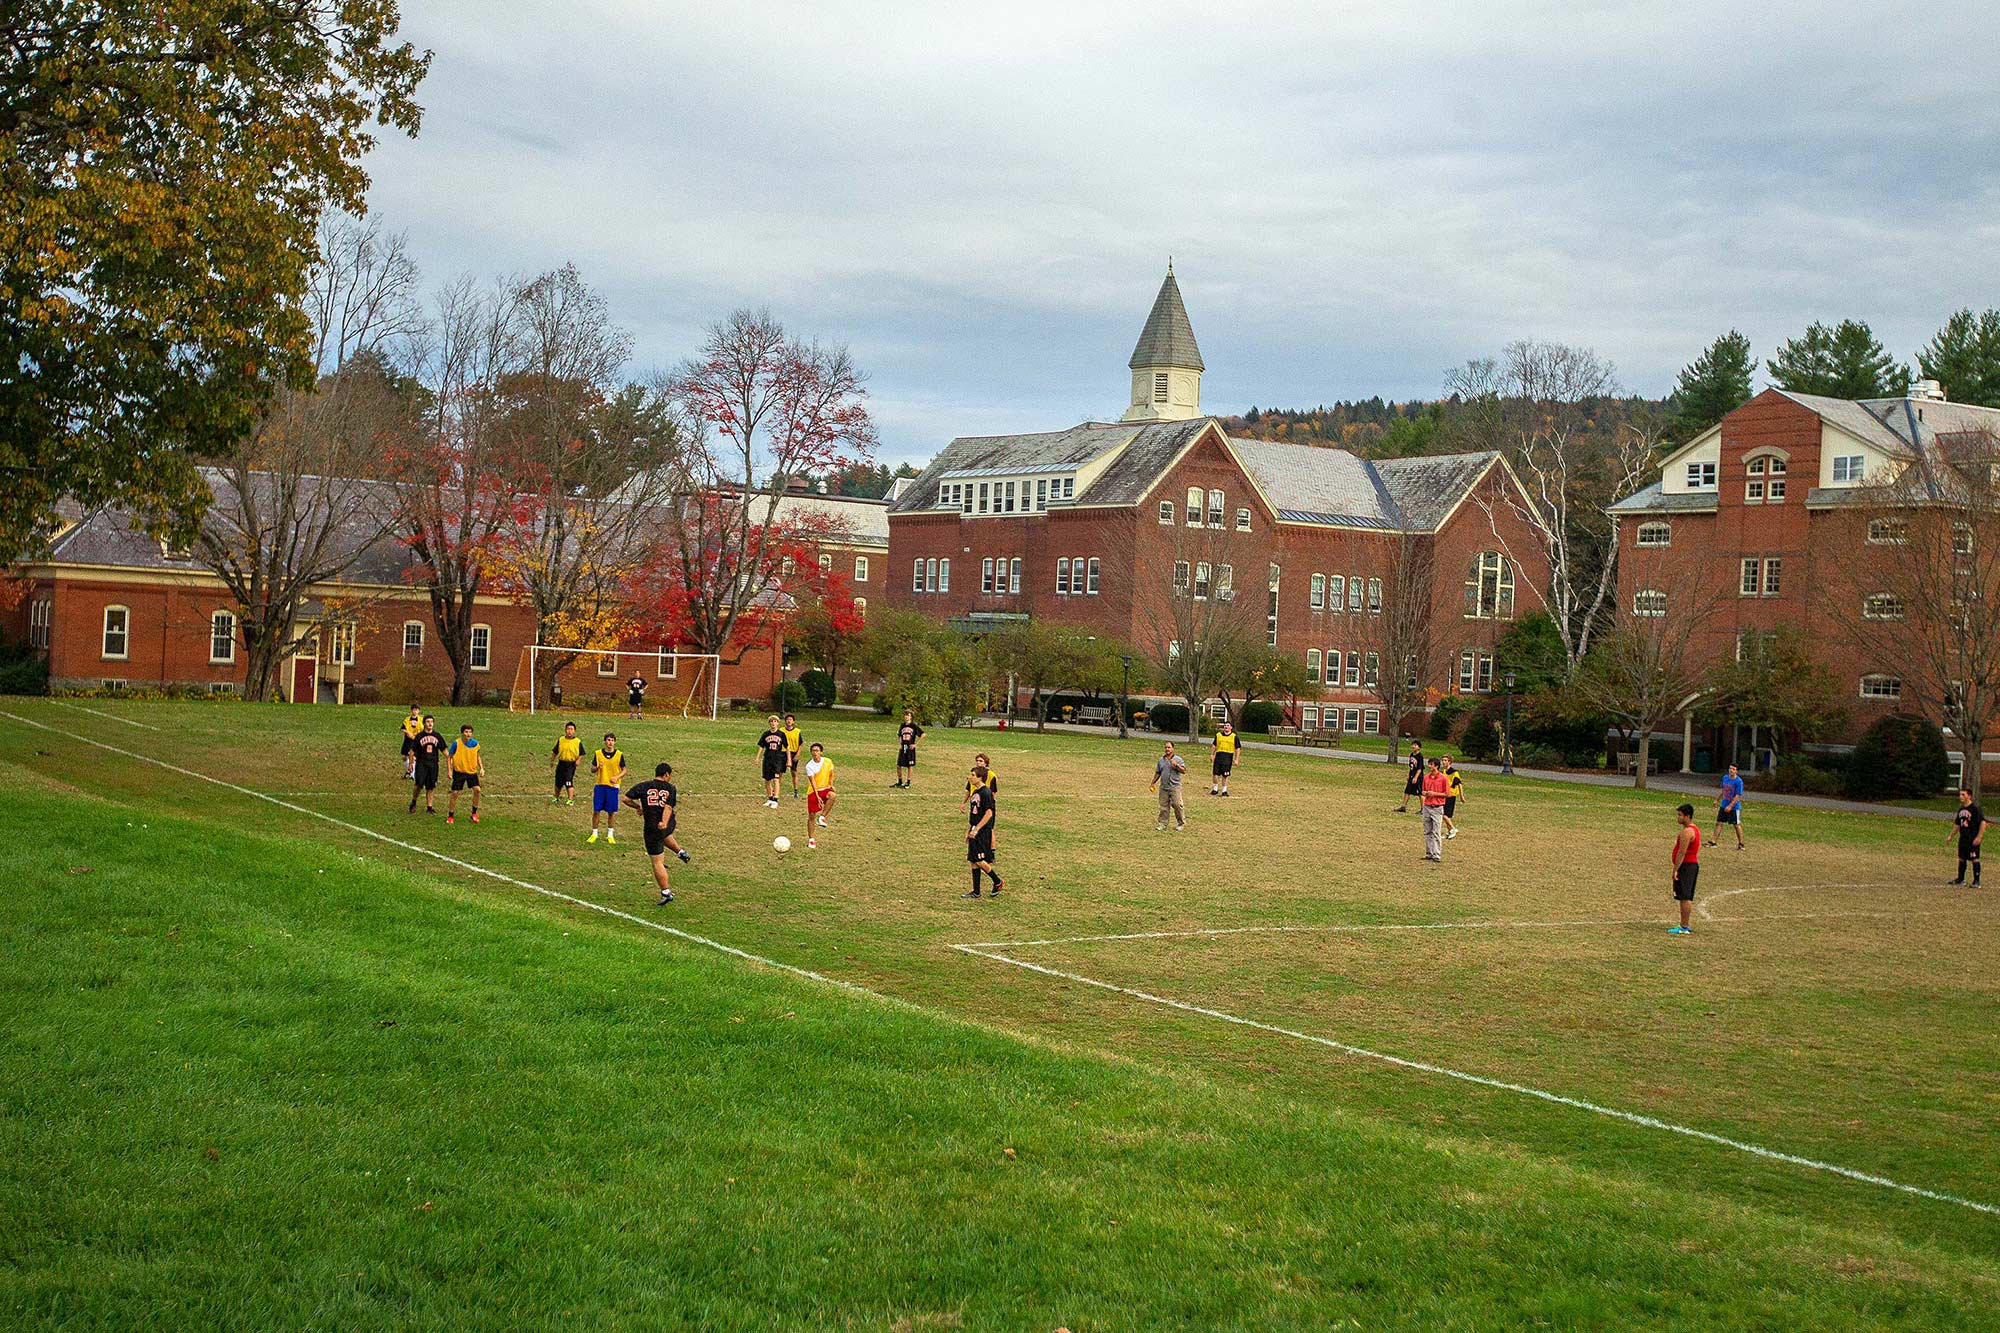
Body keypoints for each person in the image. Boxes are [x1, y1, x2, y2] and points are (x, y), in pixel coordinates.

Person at [624, 761, 690, 905]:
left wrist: (638, 806)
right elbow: (668, 808)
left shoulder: (644, 786)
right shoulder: (670, 788)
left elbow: (625, 798)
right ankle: (681, 852)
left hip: (652, 828)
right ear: (666, 775)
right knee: (665, 835)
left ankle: (666, 892)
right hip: (668, 825)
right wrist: (665, 823)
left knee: (657, 862)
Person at [964, 762, 1004, 898]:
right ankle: (976, 892)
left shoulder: (986, 793)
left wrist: (977, 829)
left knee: (980, 861)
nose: (971, 778)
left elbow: (988, 814)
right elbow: (974, 814)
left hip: (982, 832)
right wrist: (969, 830)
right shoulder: (975, 792)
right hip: (974, 830)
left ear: (980, 777)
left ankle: (997, 881)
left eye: (973, 775)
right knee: (973, 861)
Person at [587, 732, 625, 844]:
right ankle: (594, 833)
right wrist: (597, 767)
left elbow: (624, 770)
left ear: (615, 742)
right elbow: (592, 769)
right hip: (600, 785)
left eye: (612, 740)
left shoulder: (619, 755)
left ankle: (610, 835)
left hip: (613, 787)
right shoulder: (598, 754)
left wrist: (617, 777)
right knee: (596, 810)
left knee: (611, 812)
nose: (610, 742)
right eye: (608, 740)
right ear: (605, 741)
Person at [1669, 802, 1701, 934]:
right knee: (1685, 896)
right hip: (1690, 865)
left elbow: (1682, 852)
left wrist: (1675, 869)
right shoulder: (1694, 829)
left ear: (1687, 816)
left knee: (1684, 897)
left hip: (1687, 866)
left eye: (1680, 815)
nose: (1678, 817)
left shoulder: (1687, 832)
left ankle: (1684, 926)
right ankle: (1684, 924)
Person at [446, 723, 484, 825]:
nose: (468, 734)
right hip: (459, 772)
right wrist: (449, 770)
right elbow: (449, 757)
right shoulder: (456, 743)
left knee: (477, 790)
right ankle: (450, 816)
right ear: (462, 733)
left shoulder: (476, 744)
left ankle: (474, 813)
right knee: (455, 793)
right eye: (466, 732)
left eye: (470, 732)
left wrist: (481, 768)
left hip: (471, 772)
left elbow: (478, 756)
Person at [1950, 788, 1988, 886]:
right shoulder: (1961, 809)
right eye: (1960, 795)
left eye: (1963, 794)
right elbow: (1958, 824)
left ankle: (1976, 881)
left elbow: (1983, 823)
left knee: (1974, 858)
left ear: (1969, 796)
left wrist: (1979, 837)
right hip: (1963, 838)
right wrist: (1951, 836)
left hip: (1972, 838)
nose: (1961, 797)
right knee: (1962, 858)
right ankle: (1961, 879)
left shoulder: (1975, 808)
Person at [802, 742, 836, 849]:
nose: (815, 753)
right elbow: (813, 783)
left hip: (825, 789)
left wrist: (831, 785)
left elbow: (831, 775)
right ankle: (811, 839)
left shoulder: (828, 761)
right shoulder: (809, 766)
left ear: (821, 752)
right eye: (813, 751)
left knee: (833, 795)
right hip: (813, 791)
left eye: (817, 751)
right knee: (811, 816)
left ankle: (822, 817)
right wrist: (817, 797)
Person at [407, 715, 443, 814]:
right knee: (419, 784)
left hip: (433, 764)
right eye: (427, 721)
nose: (430, 724)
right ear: (424, 723)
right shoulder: (419, 736)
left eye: (431, 721)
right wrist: (410, 764)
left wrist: (451, 758)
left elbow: (444, 749)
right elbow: (412, 751)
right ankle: (414, 801)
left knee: (431, 786)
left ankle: (429, 807)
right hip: (421, 763)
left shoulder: (437, 736)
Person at [1150, 740, 1188, 831]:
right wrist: (1153, 782)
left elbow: (1184, 771)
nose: (1167, 749)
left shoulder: (1178, 759)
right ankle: (1163, 824)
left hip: (1175, 787)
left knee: (1177, 805)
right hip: (1164, 787)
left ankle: (1181, 823)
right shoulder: (1161, 760)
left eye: (1169, 747)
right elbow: (1158, 772)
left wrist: (1177, 765)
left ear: (1173, 749)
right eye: (1166, 747)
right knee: (1163, 806)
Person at [1419, 756, 1450, 861]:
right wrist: (1425, 793)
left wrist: (1434, 794)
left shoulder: (1443, 778)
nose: (1429, 766)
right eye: (1429, 764)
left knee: (1436, 831)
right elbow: (1422, 791)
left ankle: (1437, 854)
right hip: (1427, 806)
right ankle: (1429, 853)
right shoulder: (1426, 777)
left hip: (1437, 807)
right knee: (1427, 831)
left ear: (1436, 766)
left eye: (1431, 764)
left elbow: (1447, 794)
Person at [757, 715, 787, 808]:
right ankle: (770, 798)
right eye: (771, 721)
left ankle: (776, 799)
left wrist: (789, 759)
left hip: (777, 759)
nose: (773, 723)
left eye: (775, 721)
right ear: (769, 723)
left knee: (776, 779)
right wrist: (758, 757)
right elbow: (761, 746)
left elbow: (787, 747)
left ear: (778, 723)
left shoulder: (781, 734)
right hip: (767, 758)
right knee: (767, 779)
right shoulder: (766, 734)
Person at [550, 721, 583, 806]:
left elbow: (582, 753)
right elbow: (555, 751)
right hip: (561, 763)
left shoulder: (577, 741)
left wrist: (578, 760)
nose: (570, 731)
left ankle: (570, 799)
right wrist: (552, 761)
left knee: (568, 781)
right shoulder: (561, 740)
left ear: (574, 731)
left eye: (571, 729)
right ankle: (556, 797)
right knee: (558, 782)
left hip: (571, 765)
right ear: (565, 730)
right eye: (568, 729)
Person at [1715, 764, 1746, 851]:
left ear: (1736, 771)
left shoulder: (1738, 781)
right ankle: (1713, 842)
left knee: (1736, 825)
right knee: (1719, 823)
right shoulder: (1725, 778)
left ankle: (1741, 844)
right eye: (1730, 768)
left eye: (1733, 769)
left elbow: (1737, 796)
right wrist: (1717, 800)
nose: (1731, 770)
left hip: (1734, 807)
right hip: (1724, 804)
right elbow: (1723, 791)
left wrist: (1730, 806)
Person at [893, 711, 924, 788]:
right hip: (904, 747)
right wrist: (900, 744)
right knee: (899, 765)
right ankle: (899, 781)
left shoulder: (913, 726)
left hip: (910, 748)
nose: (906, 717)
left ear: (911, 717)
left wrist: (915, 744)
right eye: (905, 715)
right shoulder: (902, 725)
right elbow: (899, 735)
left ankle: (908, 782)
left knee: (909, 765)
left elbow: (923, 734)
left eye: (908, 715)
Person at [1210, 719, 1240, 796]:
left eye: (1228, 725)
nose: (1226, 727)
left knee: (1225, 775)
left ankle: (1224, 790)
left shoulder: (1234, 737)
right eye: (1225, 725)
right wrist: (1212, 755)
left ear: (1231, 728)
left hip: (1228, 757)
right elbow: (1214, 745)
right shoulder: (1218, 735)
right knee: (1215, 774)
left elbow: (1237, 748)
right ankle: (1215, 788)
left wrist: (1236, 759)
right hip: (1219, 756)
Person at [1394, 740, 1424, 813]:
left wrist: (1416, 777)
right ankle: (1403, 806)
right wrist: (1409, 776)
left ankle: (1423, 809)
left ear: (1419, 747)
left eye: (1415, 745)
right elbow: (1411, 767)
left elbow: (1420, 769)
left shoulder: (1420, 756)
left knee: (1420, 793)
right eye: (1413, 745)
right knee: (1407, 791)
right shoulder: (1411, 755)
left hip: (1418, 777)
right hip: (1411, 776)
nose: (1413, 746)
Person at [781, 712, 804, 799]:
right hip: (783, 752)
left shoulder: (797, 731)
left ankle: (795, 791)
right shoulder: (781, 730)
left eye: (790, 720)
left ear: (793, 721)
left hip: (793, 752)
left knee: (794, 772)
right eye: (787, 719)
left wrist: (798, 754)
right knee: (780, 773)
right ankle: (776, 790)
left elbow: (800, 744)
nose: (788, 721)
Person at [1441, 755, 1464, 839]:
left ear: (1449, 762)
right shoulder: (1444, 771)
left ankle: (1453, 829)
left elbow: (1459, 784)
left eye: (1445, 760)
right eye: (1443, 760)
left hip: (1451, 795)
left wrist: (1461, 796)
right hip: (1445, 794)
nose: (1443, 762)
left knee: (1444, 814)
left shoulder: (1454, 772)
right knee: (1445, 814)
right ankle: (1449, 831)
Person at [399, 705, 423, 779]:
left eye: (416, 710)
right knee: (404, 757)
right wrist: (407, 732)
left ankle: (413, 775)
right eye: (413, 710)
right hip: (407, 741)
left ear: (419, 711)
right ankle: (408, 771)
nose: (415, 711)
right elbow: (402, 729)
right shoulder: (407, 719)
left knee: (413, 757)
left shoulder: (421, 720)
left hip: (416, 741)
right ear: (411, 711)